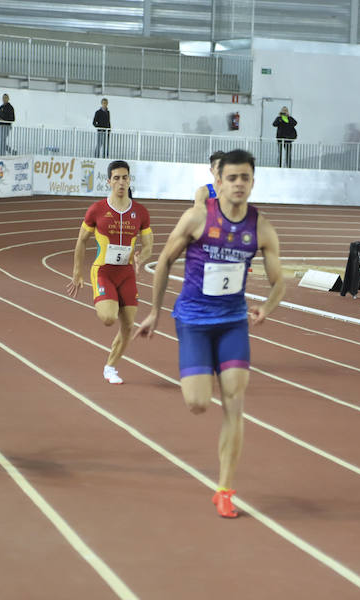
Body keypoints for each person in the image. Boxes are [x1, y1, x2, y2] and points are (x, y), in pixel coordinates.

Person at [133, 149, 286, 519]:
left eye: (244, 178)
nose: (238, 184)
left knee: (235, 401)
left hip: (233, 321)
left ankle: (225, 490)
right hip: (194, 320)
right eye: (231, 178)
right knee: (198, 404)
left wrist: (267, 306)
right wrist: (154, 311)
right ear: (217, 181)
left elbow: (280, 279)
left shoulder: (261, 228)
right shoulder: (198, 217)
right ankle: (201, 372)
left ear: (252, 181)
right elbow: (165, 260)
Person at [66, 160, 153, 384]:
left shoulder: (140, 212)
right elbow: (81, 240)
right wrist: (77, 272)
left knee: (128, 326)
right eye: (116, 178)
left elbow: (149, 244)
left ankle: (110, 367)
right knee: (108, 318)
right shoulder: (97, 210)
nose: (121, 182)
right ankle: (104, 298)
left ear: (129, 180)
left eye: (125, 178)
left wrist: (140, 259)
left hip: (126, 274)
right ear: (109, 181)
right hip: (103, 271)